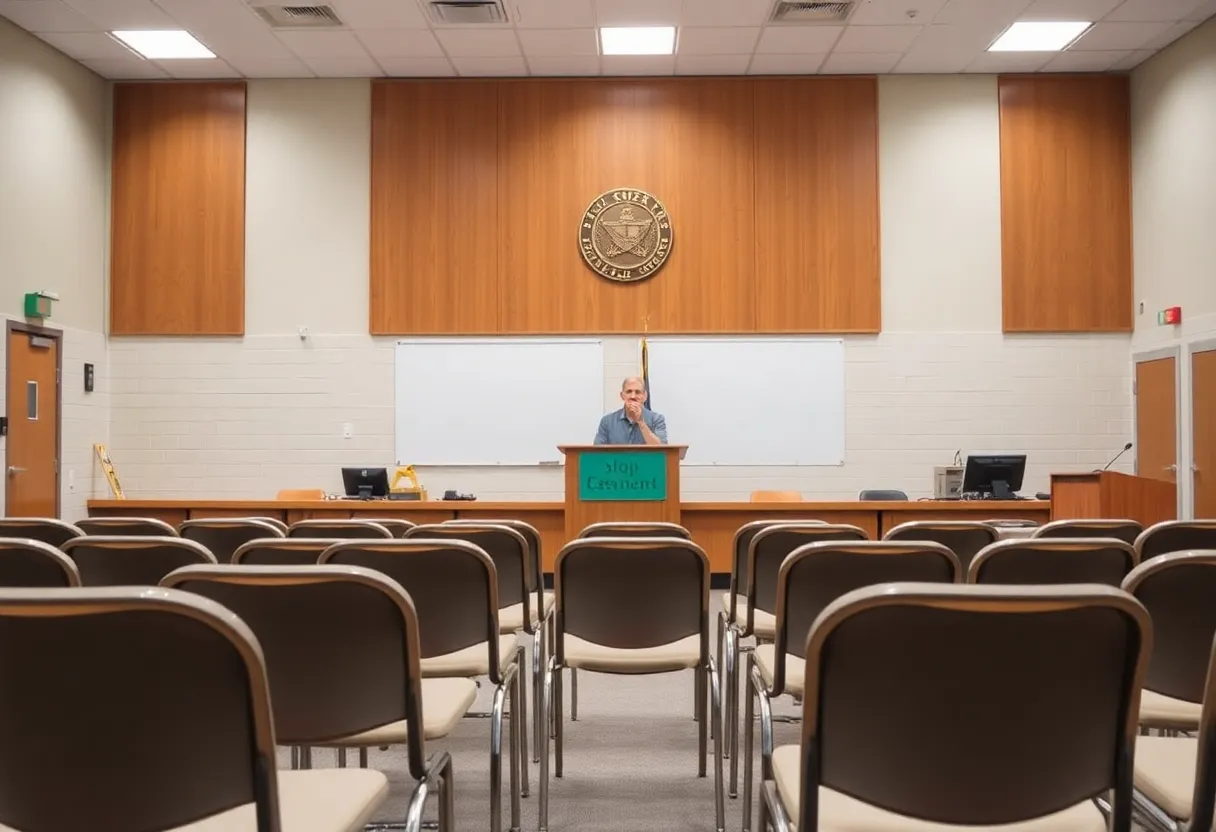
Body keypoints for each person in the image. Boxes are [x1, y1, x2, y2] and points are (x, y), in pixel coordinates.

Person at [594, 376, 668, 445]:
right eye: (629, 392)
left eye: (638, 392)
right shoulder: (607, 421)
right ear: (622, 396)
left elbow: (662, 450)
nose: (633, 396)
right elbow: (596, 452)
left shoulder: (657, 419)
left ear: (645, 396)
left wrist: (641, 422)